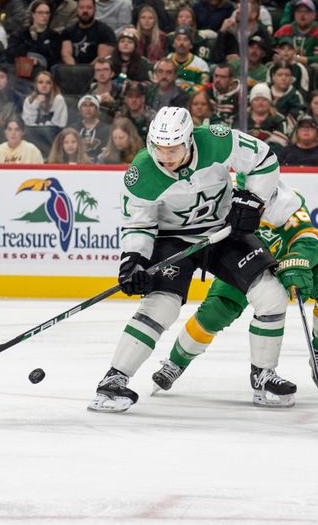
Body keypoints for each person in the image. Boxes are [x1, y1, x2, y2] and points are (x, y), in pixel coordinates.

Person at [88, 108, 293, 413]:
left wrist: (252, 198)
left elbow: (264, 159)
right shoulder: (141, 174)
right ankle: (114, 380)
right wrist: (134, 260)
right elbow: (139, 224)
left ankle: (263, 374)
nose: (166, 156)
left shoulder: (217, 140)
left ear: (189, 141)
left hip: (224, 232)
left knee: (272, 296)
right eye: (159, 148)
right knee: (161, 304)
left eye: (173, 149)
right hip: (174, 239)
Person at [151, 179, 318, 398]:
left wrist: (297, 259)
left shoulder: (287, 200)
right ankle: (175, 363)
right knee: (216, 310)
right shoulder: (221, 197)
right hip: (246, 260)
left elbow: (307, 240)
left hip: (289, 260)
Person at [273, 0, 318, 69]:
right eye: (299, 11)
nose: (302, 15)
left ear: (314, 15)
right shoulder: (284, 30)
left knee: (317, 67)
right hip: (284, 68)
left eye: (307, 12)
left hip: (309, 70)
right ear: (294, 14)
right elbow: (273, 49)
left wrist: (296, 59)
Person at [6, 0, 62, 71]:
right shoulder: (20, 34)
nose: (44, 16)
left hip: (46, 72)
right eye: (40, 12)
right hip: (23, 71)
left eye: (47, 13)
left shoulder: (54, 36)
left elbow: (55, 58)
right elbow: (11, 54)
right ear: (33, 14)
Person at [60, 0, 116, 64]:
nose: (85, 11)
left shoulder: (106, 32)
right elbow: (66, 55)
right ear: (77, 10)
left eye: (89, 7)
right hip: (72, 70)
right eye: (81, 8)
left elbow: (102, 58)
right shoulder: (68, 32)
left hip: (97, 71)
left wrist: (86, 71)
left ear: (95, 10)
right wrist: (75, 70)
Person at [247, 82, 289, 157]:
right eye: (256, 100)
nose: (260, 103)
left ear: (270, 102)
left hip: (269, 158)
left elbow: (280, 145)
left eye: (264, 100)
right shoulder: (241, 119)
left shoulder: (279, 120)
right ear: (251, 102)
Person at [167, 26, 210, 93]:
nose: (181, 43)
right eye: (178, 39)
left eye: (186, 40)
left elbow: (202, 89)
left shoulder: (201, 65)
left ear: (191, 45)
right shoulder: (165, 62)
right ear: (173, 44)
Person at [70, 94, 109, 161]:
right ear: (80, 110)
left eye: (91, 105)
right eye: (84, 105)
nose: (88, 109)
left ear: (97, 109)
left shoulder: (107, 129)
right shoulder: (73, 129)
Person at [269, 62, 305, 130]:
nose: (284, 78)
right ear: (273, 76)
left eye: (287, 75)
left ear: (291, 78)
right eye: (280, 75)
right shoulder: (263, 90)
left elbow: (294, 123)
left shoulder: (295, 96)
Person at [88, 57, 122, 121]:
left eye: (105, 69)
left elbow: (127, 113)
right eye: (98, 70)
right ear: (94, 75)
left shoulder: (121, 91)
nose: (101, 73)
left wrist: (113, 103)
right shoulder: (89, 95)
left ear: (112, 73)